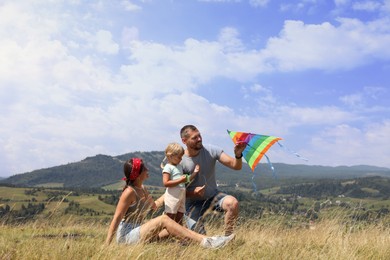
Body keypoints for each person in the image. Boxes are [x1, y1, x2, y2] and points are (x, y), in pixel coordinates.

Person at [106, 157, 234, 249]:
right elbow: (116, 218)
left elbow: (155, 206)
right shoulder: (129, 192)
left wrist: (175, 190)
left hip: (139, 232)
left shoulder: (143, 189)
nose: (147, 169)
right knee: (164, 220)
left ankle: (207, 242)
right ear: (138, 174)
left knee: (175, 227)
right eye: (144, 168)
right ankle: (208, 243)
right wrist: (107, 245)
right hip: (126, 237)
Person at [180, 125, 247, 236]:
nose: (199, 139)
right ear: (184, 141)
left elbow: (236, 166)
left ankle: (228, 240)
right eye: (194, 138)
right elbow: (175, 190)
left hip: (213, 196)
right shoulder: (180, 160)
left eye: (199, 135)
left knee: (232, 203)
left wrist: (238, 155)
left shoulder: (210, 150)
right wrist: (193, 192)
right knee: (201, 240)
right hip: (191, 204)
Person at [162, 143, 200, 225]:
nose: (181, 159)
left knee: (180, 216)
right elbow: (166, 183)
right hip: (173, 196)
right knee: (170, 216)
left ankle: (177, 234)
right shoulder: (167, 167)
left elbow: (186, 179)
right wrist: (180, 180)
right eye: (179, 157)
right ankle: (167, 234)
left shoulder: (179, 166)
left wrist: (195, 173)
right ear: (170, 156)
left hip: (181, 195)